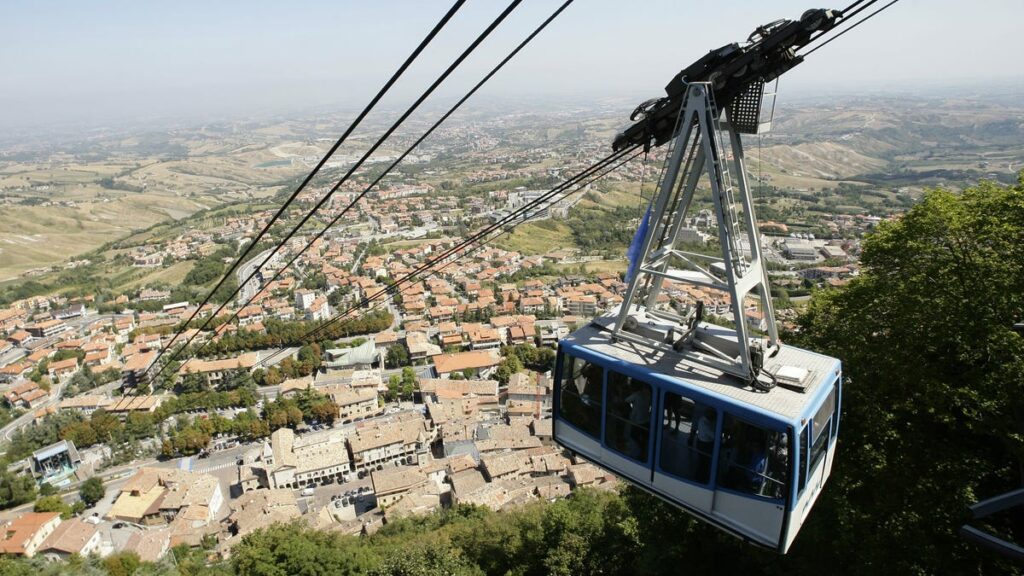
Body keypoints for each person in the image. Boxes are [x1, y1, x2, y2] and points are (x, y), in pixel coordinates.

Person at [693, 407, 716, 482]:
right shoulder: (705, 423)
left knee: (703, 462)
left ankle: (700, 476)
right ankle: (699, 478)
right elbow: (713, 435)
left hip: (702, 443)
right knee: (704, 462)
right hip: (704, 445)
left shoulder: (703, 419)